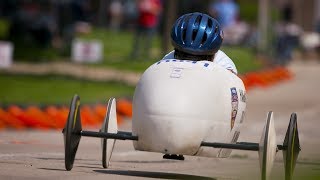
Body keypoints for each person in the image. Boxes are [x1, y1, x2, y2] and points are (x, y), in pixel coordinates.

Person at [162, 12, 238, 75]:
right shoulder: (168, 60)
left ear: (213, 55)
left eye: (199, 58)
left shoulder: (222, 63)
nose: (190, 62)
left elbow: (231, 86)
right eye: (184, 55)